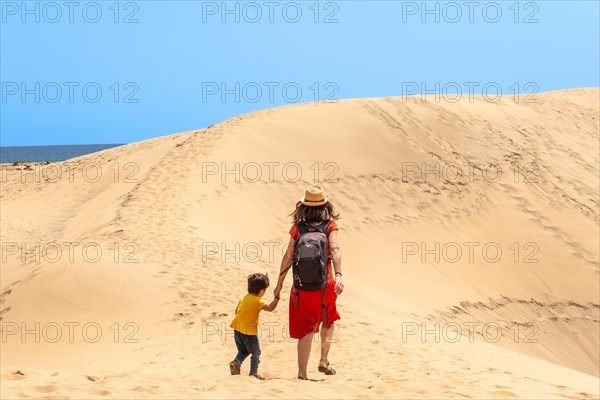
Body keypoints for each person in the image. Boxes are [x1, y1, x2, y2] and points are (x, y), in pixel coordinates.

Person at [273, 184, 343, 380]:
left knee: (306, 329)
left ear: (303, 207)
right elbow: (335, 249)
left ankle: (302, 374)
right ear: (325, 206)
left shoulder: (297, 229)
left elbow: (288, 257)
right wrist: (338, 274)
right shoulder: (330, 226)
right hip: (326, 284)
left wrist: (279, 284)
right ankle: (323, 360)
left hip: (302, 285)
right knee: (327, 320)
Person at [229, 273, 280, 380]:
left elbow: (236, 311)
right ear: (261, 291)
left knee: (243, 351)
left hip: (237, 330)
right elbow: (270, 308)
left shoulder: (243, 298)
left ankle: (236, 363)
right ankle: (253, 373)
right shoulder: (258, 300)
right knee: (256, 352)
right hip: (249, 333)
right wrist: (277, 299)